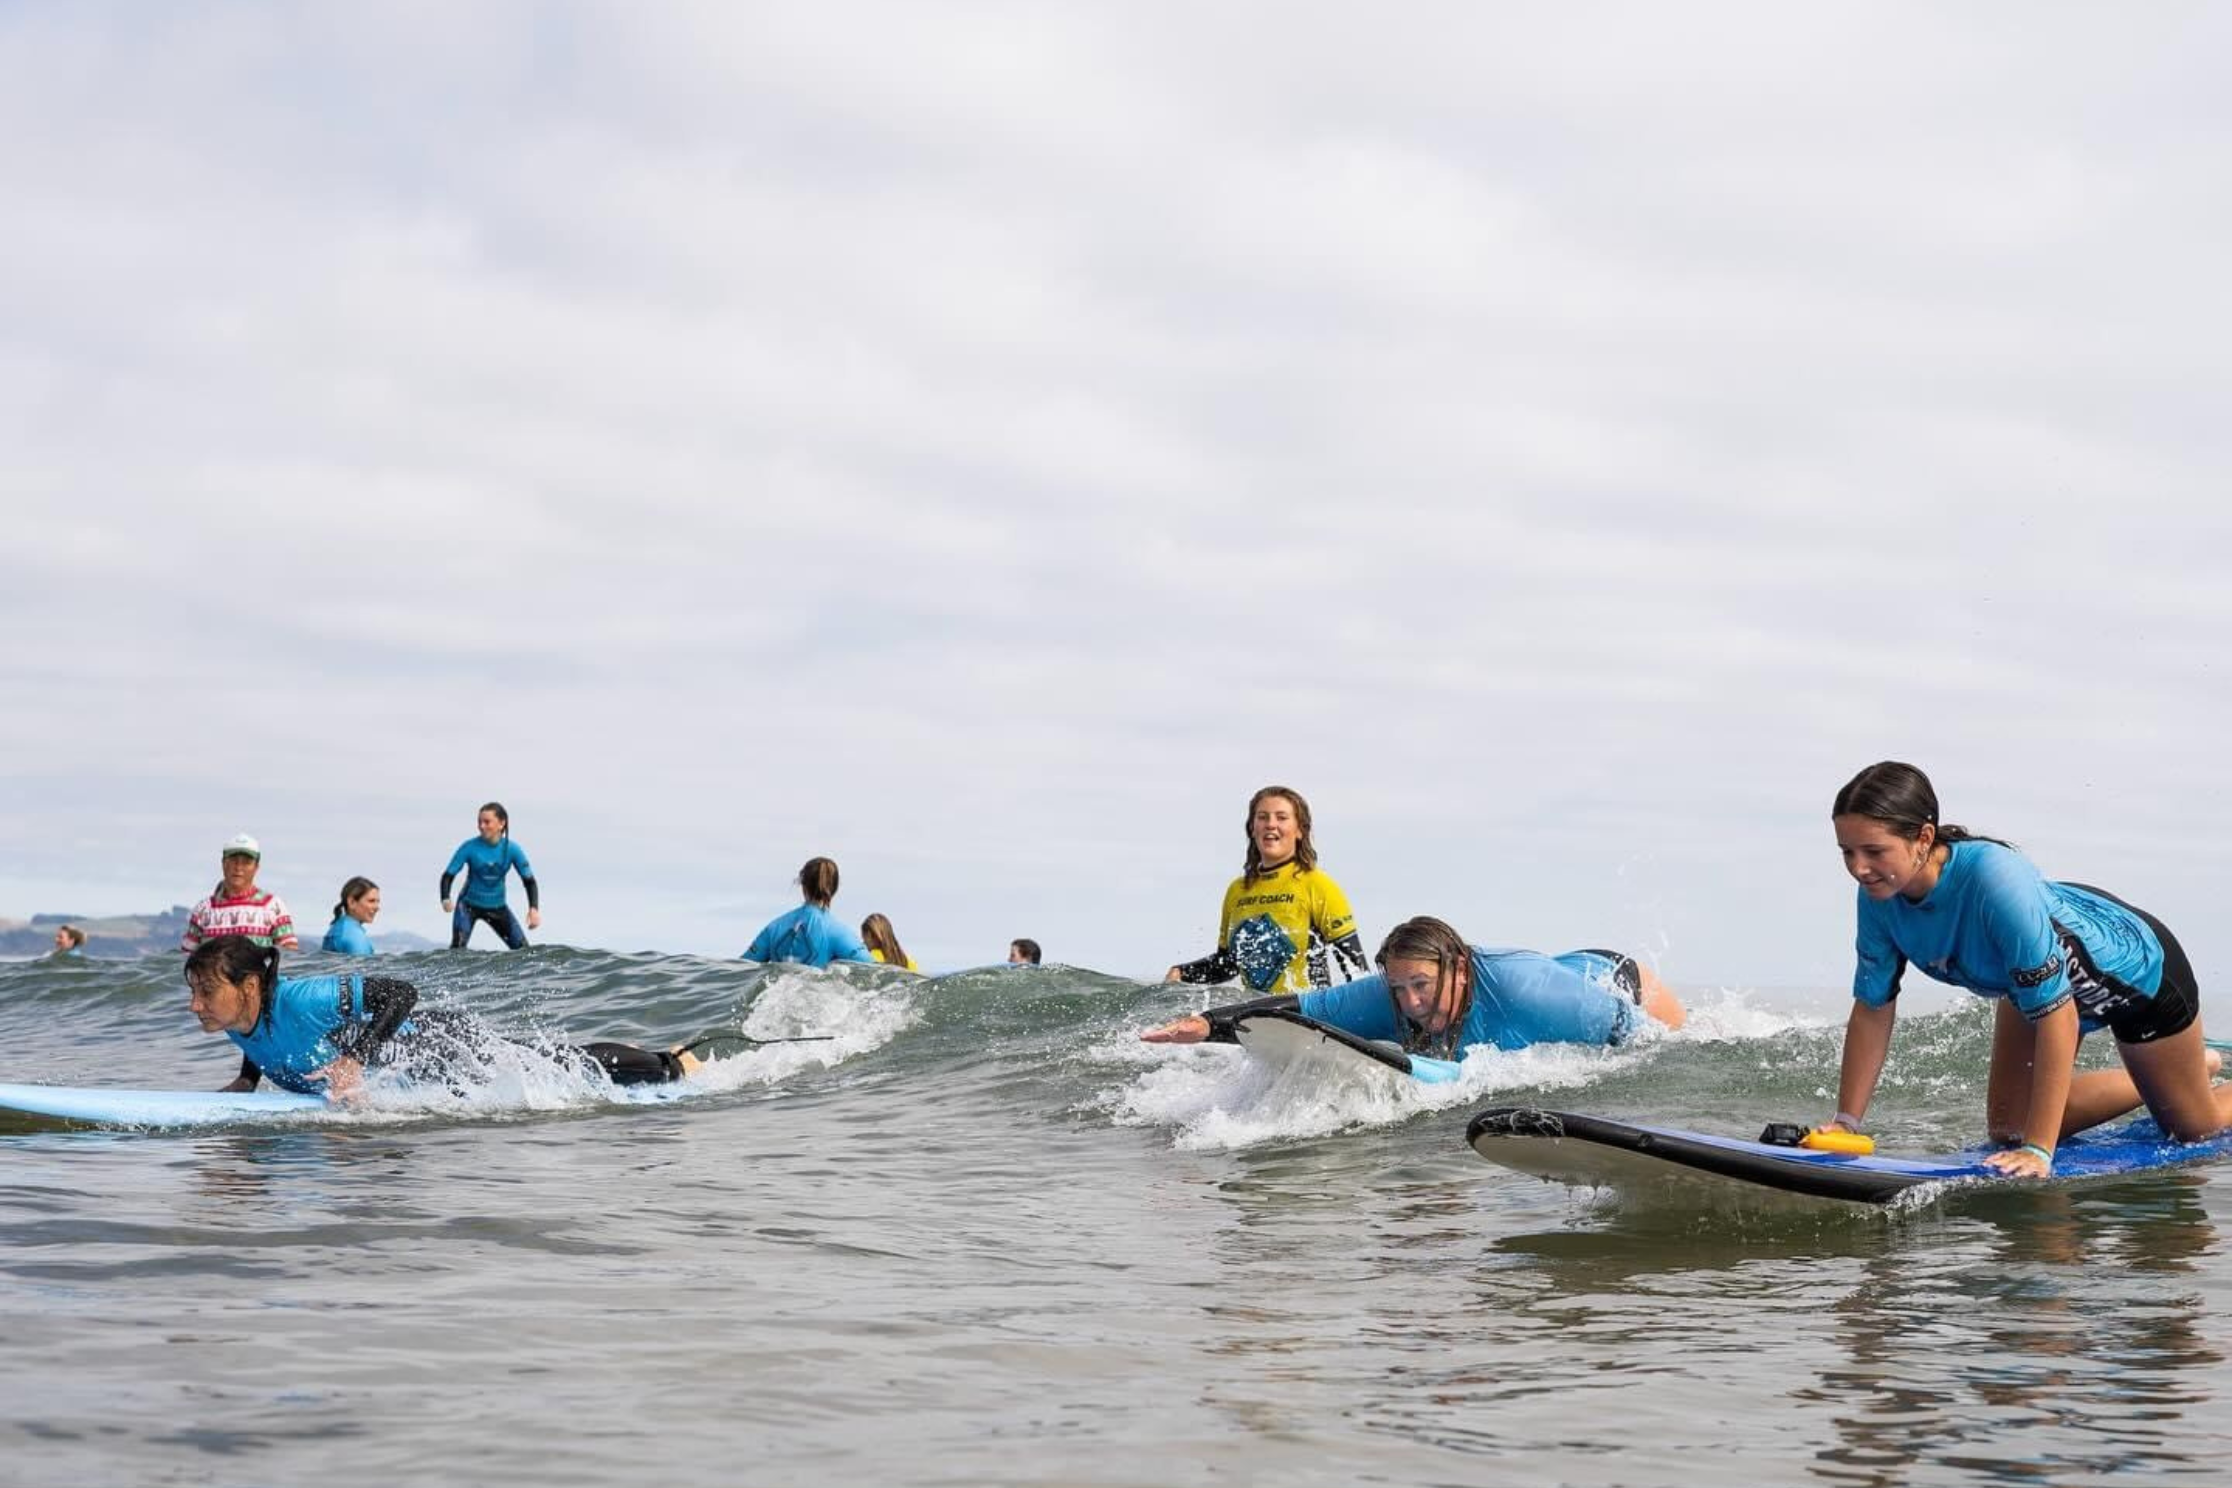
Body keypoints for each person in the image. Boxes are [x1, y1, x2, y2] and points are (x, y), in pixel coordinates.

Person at [1823, 761, 2232, 1178]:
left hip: (2135, 975)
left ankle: (2184, 1083)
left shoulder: (1993, 878)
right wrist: (1846, 1123)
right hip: (2033, 984)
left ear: (1923, 838)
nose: (1859, 868)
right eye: (1847, 852)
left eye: (1874, 851)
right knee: (2009, 1128)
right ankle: (2190, 1069)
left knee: (2195, 1129)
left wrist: (2040, 1150)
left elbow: (2059, 1014)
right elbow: (1873, 1009)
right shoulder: (1878, 897)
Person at [184, 938, 704, 1099]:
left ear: (249, 986)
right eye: (195, 992)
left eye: (206, 992)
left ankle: (671, 1064)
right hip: (419, 1069)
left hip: (436, 1046)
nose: (196, 1005)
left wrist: (354, 1060)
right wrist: (247, 1078)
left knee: (562, 1068)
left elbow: (401, 993)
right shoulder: (236, 1018)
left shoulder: (306, 999)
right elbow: (261, 1041)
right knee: (551, 1062)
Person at [1144, 915, 1686, 1056]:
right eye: (1399, 988)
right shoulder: (1390, 994)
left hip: (1614, 980)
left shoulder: (1531, 992)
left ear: (1461, 971)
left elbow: (1642, 1043)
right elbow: (1296, 1009)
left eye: (1422, 985)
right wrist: (1207, 1025)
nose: (1410, 1002)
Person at [1165, 786, 1369, 994]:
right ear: (1252, 828)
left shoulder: (1318, 885)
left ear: (1300, 830)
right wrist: (1182, 973)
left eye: (1281, 817)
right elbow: (1228, 963)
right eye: (1262, 817)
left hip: (1308, 1014)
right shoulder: (1237, 891)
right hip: (1256, 1015)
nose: (1271, 824)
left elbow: (1356, 968)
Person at [441, 802, 540, 950]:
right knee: (457, 951)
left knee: (524, 952)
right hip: (468, 906)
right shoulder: (469, 847)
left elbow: (529, 881)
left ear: (501, 823)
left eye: (487, 822)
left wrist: (533, 909)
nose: (481, 826)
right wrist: (445, 898)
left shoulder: (513, 849)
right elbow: (448, 875)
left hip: (498, 908)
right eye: (479, 822)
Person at [743, 857, 874, 967]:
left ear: (803, 885)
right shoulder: (838, 932)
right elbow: (873, 970)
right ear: (834, 889)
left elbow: (743, 967)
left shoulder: (774, 928)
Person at [180, 834, 300, 952]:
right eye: (233, 860)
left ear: (256, 867)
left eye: (246, 862)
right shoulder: (203, 910)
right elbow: (186, 958)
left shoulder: (273, 906)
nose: (238, 867)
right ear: (223, 864)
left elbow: (289, 953)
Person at [322, 877, 380, 956]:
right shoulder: (355, 937)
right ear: (352, 902)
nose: (377, 907)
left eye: (377, 902)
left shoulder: (339, 928)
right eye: (371, 901)